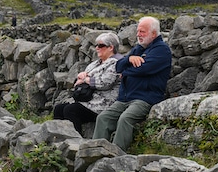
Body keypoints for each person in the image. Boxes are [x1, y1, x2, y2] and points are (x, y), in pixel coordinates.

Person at [92, 16, 172, 151]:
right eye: (138, 31)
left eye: (142, 32)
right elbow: (118, 66)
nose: (138, 35)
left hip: (145, 98)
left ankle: (116, 156)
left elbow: (143, 69)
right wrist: (130, 59)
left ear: (153, 34)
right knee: (103, 118)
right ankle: (94, 152)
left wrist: (126, 70)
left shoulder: (161, 50)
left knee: (125, 119)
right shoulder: (138, 49)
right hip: (124, 98)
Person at [53, 32, 122, 134]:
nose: (97, 48)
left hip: (104, 103)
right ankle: (58, 137)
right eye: (96, 45)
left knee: (71, 110)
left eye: (101, 45)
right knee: (58, 109)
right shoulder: (95, 63)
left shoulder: (117, 63)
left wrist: (86, 79)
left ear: (111, 47)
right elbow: (82, 80)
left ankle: (75, 142)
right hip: (89, 99)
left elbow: (105, 83)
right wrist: (80, 80)